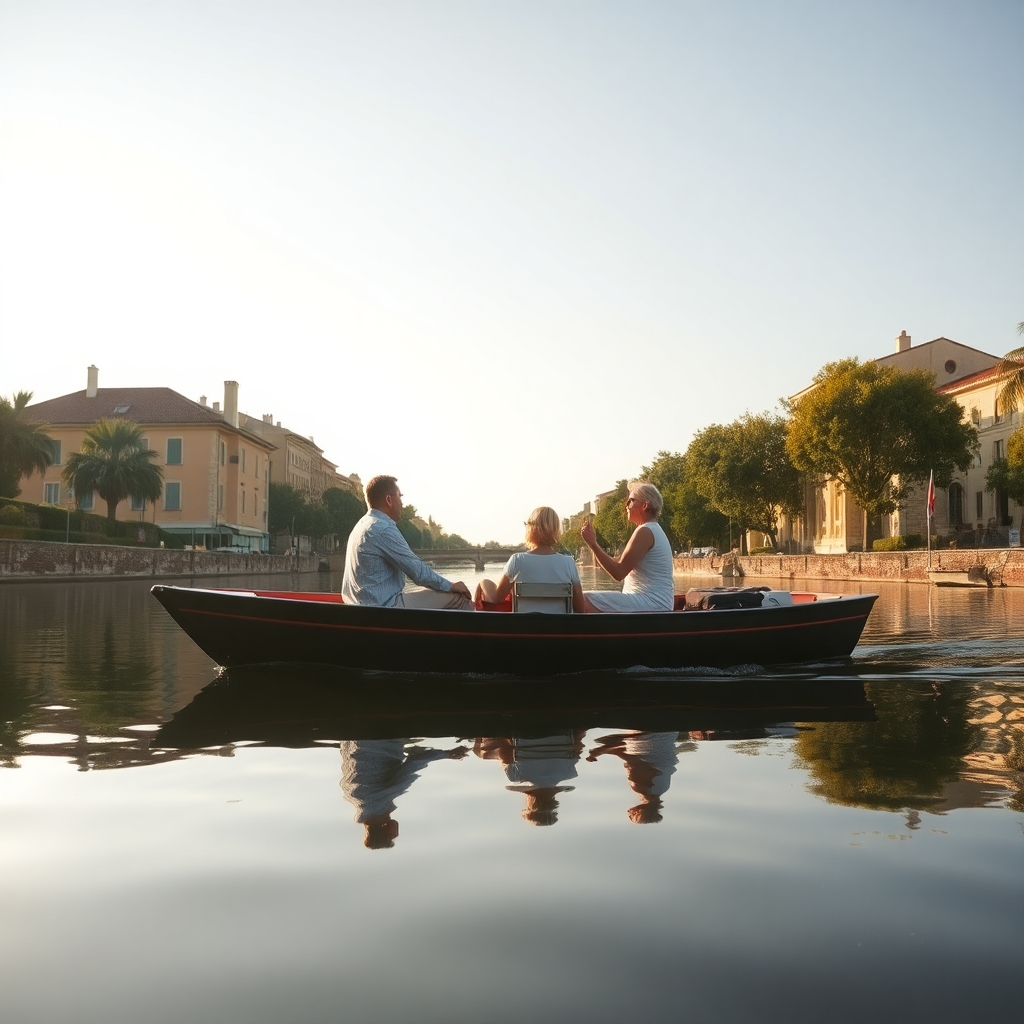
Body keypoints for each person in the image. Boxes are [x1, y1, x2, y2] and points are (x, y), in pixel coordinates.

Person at [342, 475, 473, 609]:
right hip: (384, 607)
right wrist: (451, 585)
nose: (402, 503)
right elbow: (418, 572)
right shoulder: (383, 528)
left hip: (359, 606)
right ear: (389, 499)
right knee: (459, 597)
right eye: (400, 496)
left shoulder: (362, 525)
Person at [581, 481, 674, 612]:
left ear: (645, 505)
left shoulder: (645, 531)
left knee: (582, 599)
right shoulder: (650, 529)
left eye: (630, 501)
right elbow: (619, 564)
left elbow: (618, 573)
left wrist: (593, 544)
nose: (626, 506)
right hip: (655, 603)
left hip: (651, 603)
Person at [474, 506, 585, 612]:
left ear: (530, 529)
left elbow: (496, 598)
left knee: (484, 586)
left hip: (524, 629)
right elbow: (580, 609)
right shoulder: (568, 562)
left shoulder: (517, 560)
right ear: (556, 530)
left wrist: (483, 583)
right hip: (558, 629)